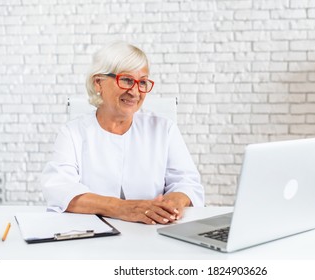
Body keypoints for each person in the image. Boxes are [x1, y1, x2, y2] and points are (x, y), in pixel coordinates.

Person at [41, 41, 204, 225]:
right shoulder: (72, 133)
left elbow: (187, 183)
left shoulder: (164, 129)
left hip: (153, 232)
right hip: (91, 238)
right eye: (126, 80)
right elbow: (59, 189)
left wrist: (169, 206)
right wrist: (121, 208)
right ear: (98, 83)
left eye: (142, 82)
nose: (135, 92)